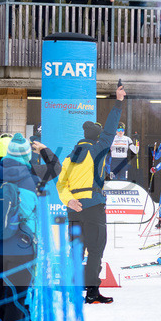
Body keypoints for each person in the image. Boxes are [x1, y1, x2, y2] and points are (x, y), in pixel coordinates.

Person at [56, 84, 126, 304]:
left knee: (76, 250)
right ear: (96, 138)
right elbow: (111, 130)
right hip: (94, 206)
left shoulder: (69, 157)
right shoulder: (97, 149)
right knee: (95, 250)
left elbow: (60, 185)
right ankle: (92, 292)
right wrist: (118, 102)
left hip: (74, 208)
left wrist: (69, 201)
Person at [0, 134, 42, 321]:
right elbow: (32, 215)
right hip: (21, 248)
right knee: (16, 299)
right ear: (26, 155)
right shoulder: (31, 180)